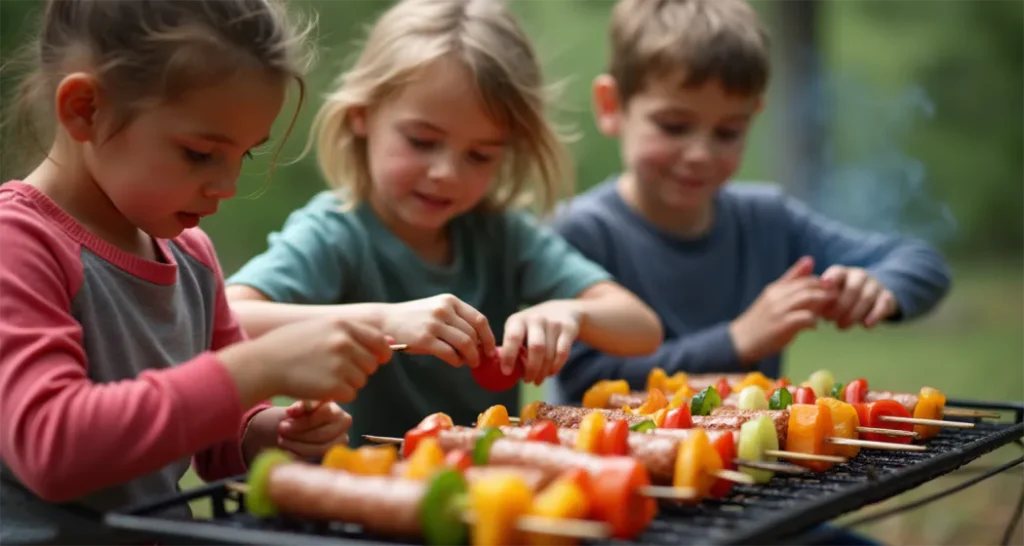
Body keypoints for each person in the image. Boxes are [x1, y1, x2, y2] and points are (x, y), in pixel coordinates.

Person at [0, 1, 397, 543]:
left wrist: (272, 433)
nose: (228, 186)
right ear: (85, 109)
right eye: (199, 153)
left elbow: (218, 436)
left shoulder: (191, 253)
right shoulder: (17, 244)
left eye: (245, 156)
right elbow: (53, 446)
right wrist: (254, 367)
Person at [225, 0, 664, 445]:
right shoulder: (336, 232)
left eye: (480, 155)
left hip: (485, 491)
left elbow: (642, 328)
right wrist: (384, 322)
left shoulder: (502, 235)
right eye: (422, 141)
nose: (446, 174)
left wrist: (570, 310)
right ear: (363, 116)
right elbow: (230, 316)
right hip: (363, 486)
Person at [549, 0, 952, 404]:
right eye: (674, 126)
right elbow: (585, 380)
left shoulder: (767, 219)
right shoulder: (583, 231)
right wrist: (736, 340)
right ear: (611, 106)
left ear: (752, 118)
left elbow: (922, 262)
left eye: (727, 132)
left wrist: (877, 285)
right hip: (613, 463)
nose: (700, 154)